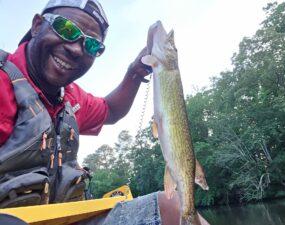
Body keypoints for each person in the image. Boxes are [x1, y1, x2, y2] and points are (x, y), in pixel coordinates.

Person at [0, 0, 209, 224]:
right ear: (37, 25)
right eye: (66, 29)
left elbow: (111, 110)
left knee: (172, 206)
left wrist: (135, 74)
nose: (75, 49)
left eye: (91, 45)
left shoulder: (70, 98)